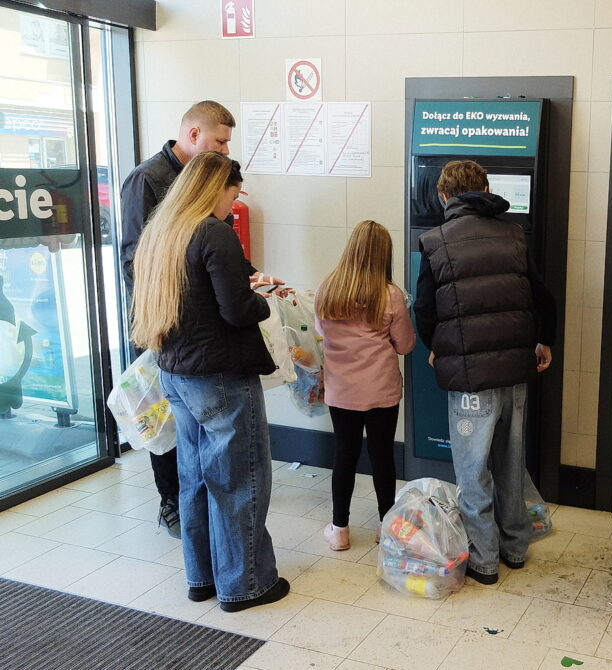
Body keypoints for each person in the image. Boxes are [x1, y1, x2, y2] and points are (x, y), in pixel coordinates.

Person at [131, 151, 288, 611]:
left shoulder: (163, 231)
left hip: (176, 371)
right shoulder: (214, 232)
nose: (233, 204)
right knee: (240, 479)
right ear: (214, 189)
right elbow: (236, 310)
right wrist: (263, 302)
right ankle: (246, 585)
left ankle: (202, 578)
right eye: (233, 194)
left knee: (195, 478)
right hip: (220, 375)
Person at [119, 100, 282, 538]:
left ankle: (202, 563)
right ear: (193, 135)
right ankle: (171, 506)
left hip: (196, 343)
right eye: (221, 142)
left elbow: (209, 264)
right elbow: (139, 262)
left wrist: (248, 278)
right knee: (189, 454)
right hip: (174, 334)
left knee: (201, 461)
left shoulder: (209, 223)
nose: (227, 152)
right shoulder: (147, 182)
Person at [413, 160, 557, 585]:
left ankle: (484, 560)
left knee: (472, 467)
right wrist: (543, 341)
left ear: (444, 196)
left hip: (470, 377)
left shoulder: (435, 240)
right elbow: (542, 297)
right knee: (511, 461)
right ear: (486, 188)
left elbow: (424, 308)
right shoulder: (514, 234)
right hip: (515, 368)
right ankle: (515, 547)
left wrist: (438, 348)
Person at [314, 220, 415, 551]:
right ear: (384, 255)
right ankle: (386, 526)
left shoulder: (328, 288)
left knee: (344, 454)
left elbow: (320, 330)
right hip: (381, 391)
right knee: (382, 454)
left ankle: (339, 529)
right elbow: (404, 345)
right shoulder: (390, 295)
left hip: (342, 391)